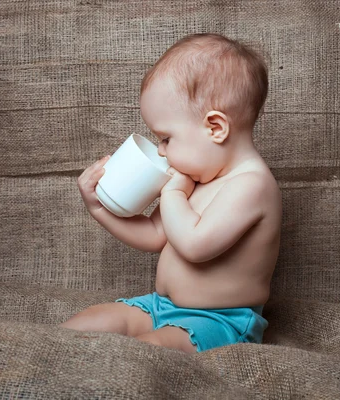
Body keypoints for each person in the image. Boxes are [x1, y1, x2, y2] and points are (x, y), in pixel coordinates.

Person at [59, 33, 282, 353]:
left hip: (218, 321)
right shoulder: (198, 177)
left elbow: (194, 244)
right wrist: (99, 208)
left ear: (215, 128)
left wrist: (174, 192)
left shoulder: (251, 184)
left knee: (147, 352)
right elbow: (155, 234)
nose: (162, 152)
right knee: (89, 323)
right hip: (159, 307)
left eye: (165, 138)